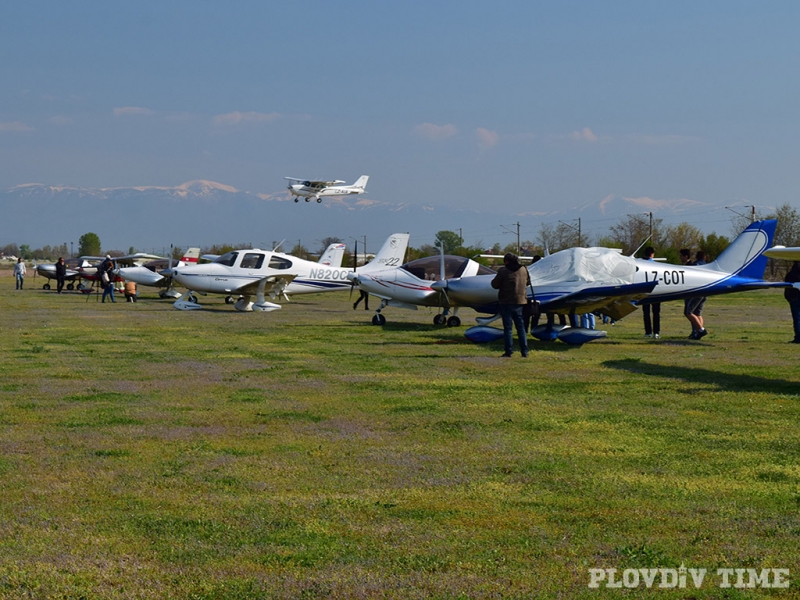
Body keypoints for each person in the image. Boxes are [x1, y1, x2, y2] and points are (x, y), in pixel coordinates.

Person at [491, 253, 530, 357]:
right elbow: (528, 282)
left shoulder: (503, 271)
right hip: (520, 301)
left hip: (506, 301)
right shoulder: (524, 269)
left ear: (507, 261)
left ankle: (509, 351)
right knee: (521, 327)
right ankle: (524, 351)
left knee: (508, 328)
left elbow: (494, 284)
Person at [682, 249, 708, 339]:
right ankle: (698, 333)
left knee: (688, 312)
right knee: (698, 314)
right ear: (705, 257)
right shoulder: (707, 265)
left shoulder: (696, 265)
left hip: (697, 291)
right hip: (707, 291)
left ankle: (700, 330)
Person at [641, 247, 661, 339]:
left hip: (645, 291)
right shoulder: (656, 265)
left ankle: (648, 331)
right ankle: (656, 332)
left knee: (646, 312)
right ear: (652, 254)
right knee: (656, 313)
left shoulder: (641, 264)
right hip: (656, 290)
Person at [784, 261, 800, 344]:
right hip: (795, 298)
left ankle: (798, 337)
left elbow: (787, 287)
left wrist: (788, 297)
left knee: (797, 319)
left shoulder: (790, 275)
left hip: (794, 299)